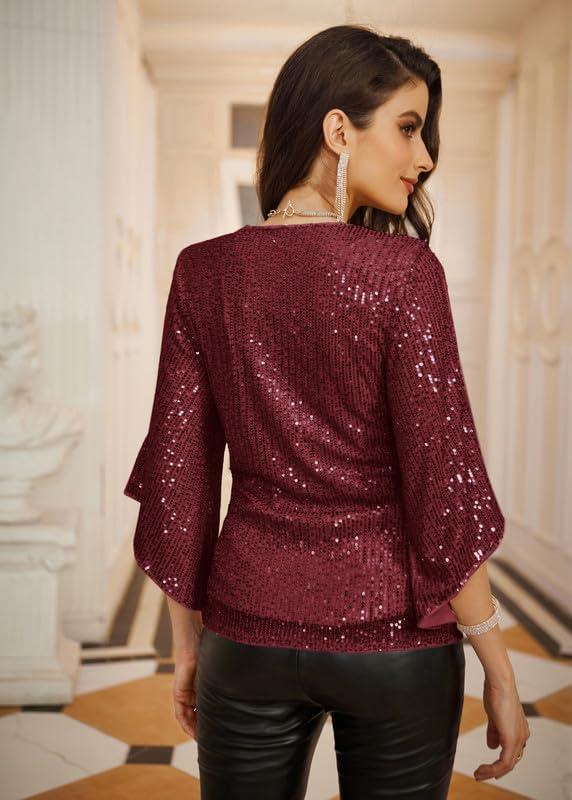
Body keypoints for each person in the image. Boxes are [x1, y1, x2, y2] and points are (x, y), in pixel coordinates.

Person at [124, 23, 530, 800]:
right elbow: (442, 491)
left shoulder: (202, 272)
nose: (424, 157)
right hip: (397, 646)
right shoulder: (406, 272)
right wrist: (500, 669)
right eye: (407, 128)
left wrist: (188, 646)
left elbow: (181, 482)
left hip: (244, 635)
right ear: (339, 130)